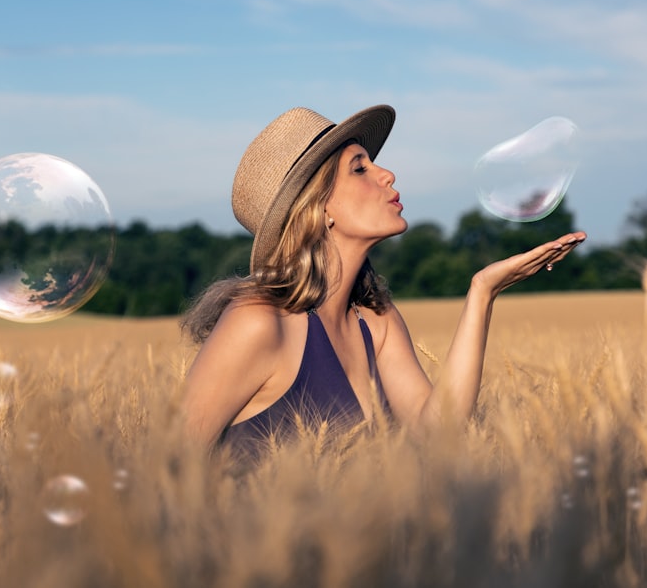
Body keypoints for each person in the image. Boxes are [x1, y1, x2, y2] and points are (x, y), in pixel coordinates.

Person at [179, 104, 585, 464]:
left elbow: (438, 435)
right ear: (319, 209)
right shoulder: (259, 323)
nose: (386, 174)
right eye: (360, 168)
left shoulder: (376, 321)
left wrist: (483, 291)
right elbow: (168, 468)